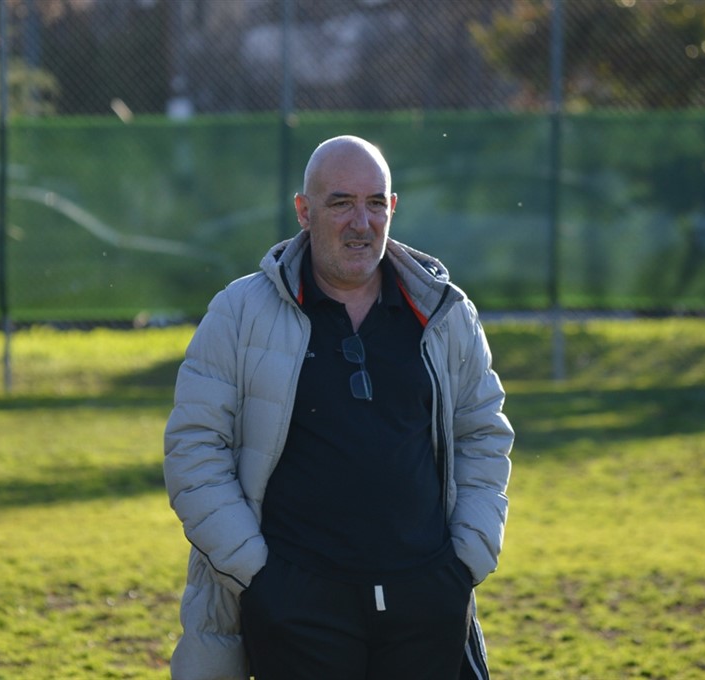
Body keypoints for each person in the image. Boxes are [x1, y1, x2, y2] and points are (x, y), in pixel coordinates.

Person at [163, 135, 513, 680]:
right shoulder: (240, 312)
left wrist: (466, 560)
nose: (361, 223)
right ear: (304, 212)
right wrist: (257, 574)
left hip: (427, 599)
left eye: (375, 203)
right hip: (296, 605)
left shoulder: (444, 313)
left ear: (392, 208)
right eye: (341, 203)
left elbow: (483, 433)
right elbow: (194, 448)